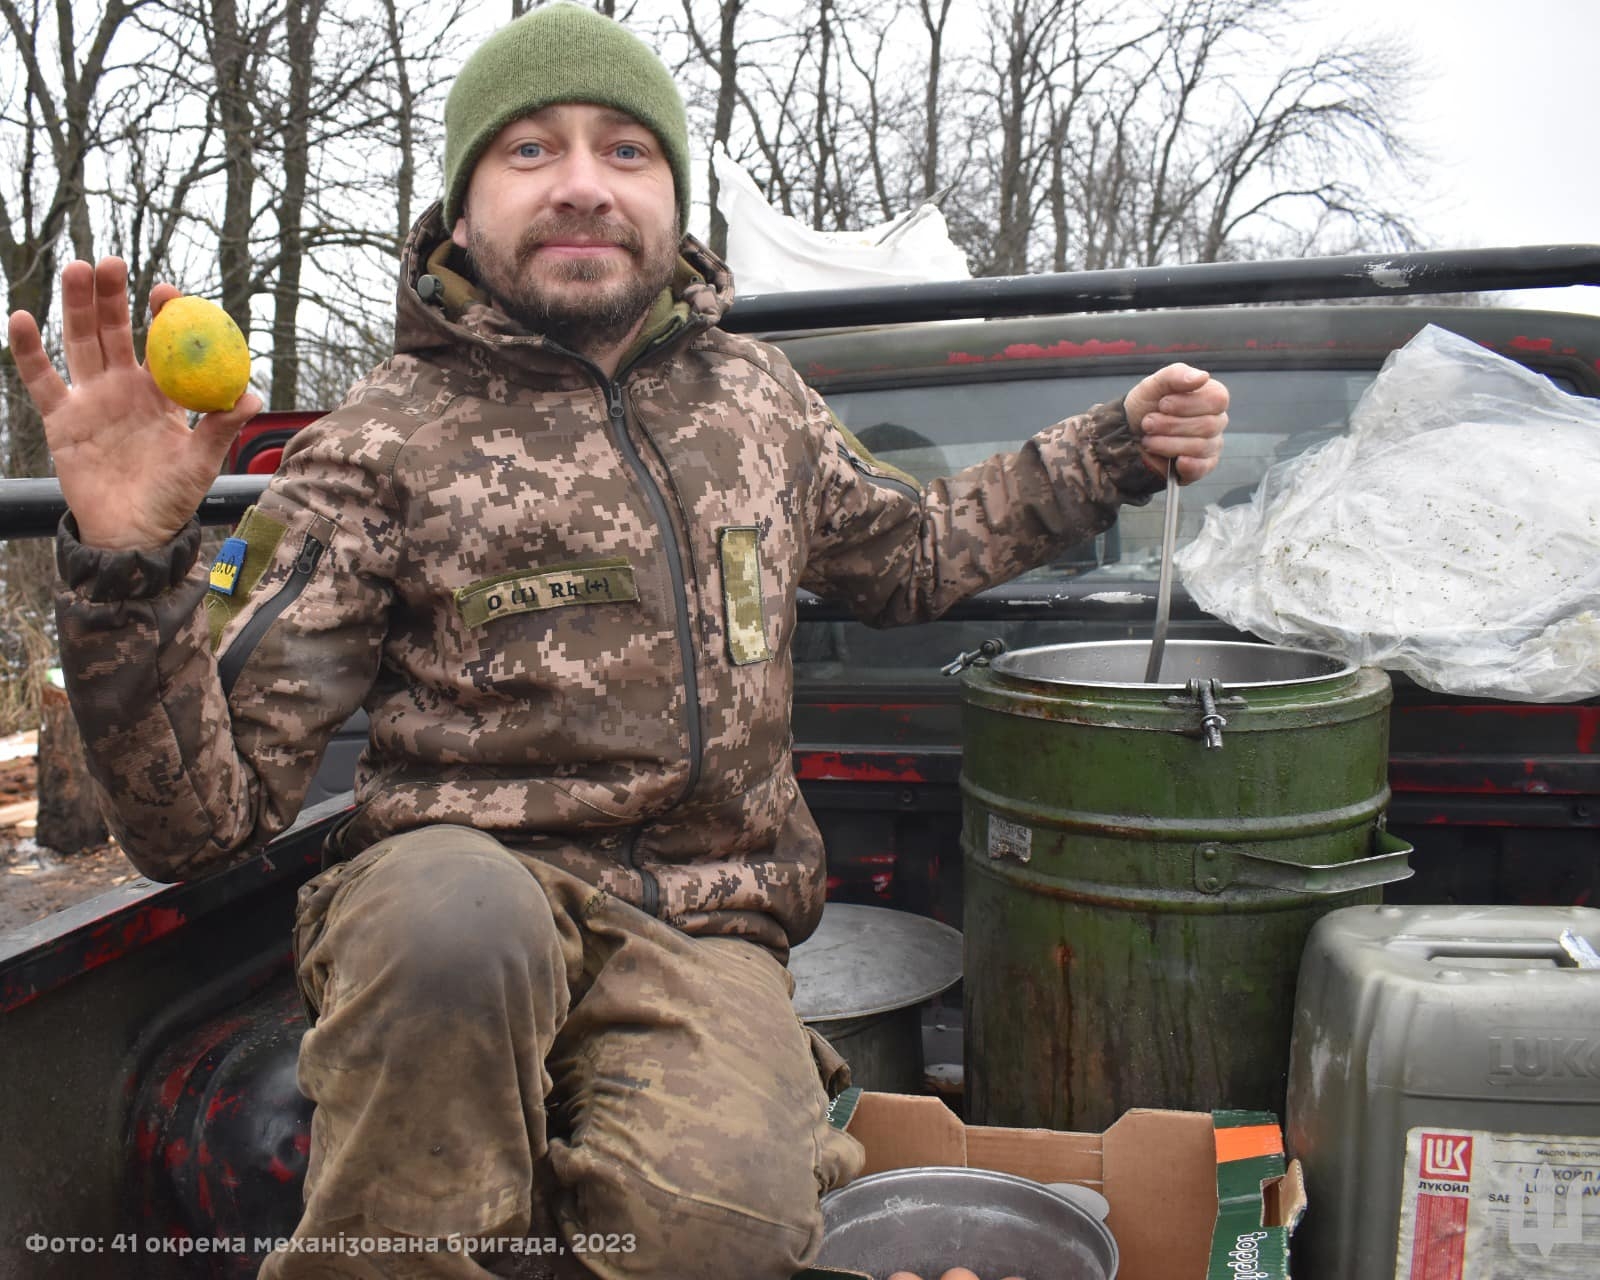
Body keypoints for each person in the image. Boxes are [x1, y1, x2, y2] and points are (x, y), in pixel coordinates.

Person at [6, 6, 1228, 1277]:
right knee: (453, 918)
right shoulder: (374, 444)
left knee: (732, 1225)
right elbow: (197, 825)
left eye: (624, 151)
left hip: (709, 925)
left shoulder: (761, 405)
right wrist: (126, 565)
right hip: (454, 911)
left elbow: (912, 554)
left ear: (673, 202)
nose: (583, 184)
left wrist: (1109, 452)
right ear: (464, 208)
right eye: (529, 149)